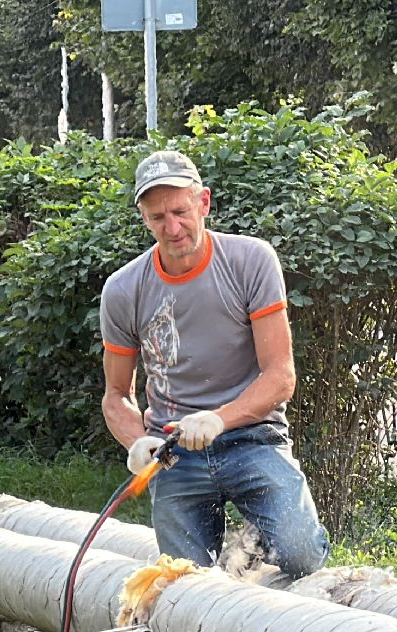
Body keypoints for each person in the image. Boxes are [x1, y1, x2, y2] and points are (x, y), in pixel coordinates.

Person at [99, 150, 330, 578]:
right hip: (174, 455)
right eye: (157, 218)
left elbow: (280, 376)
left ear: (203, 202)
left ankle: (250, 570)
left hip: (252, 438)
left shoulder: (250, 261)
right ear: (143, 218)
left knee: (301, 556)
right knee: (184, 581)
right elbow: (116, 396)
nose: (172, 228)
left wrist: (219, 420)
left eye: (180, 211)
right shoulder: (123, 290)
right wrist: (137, 441)